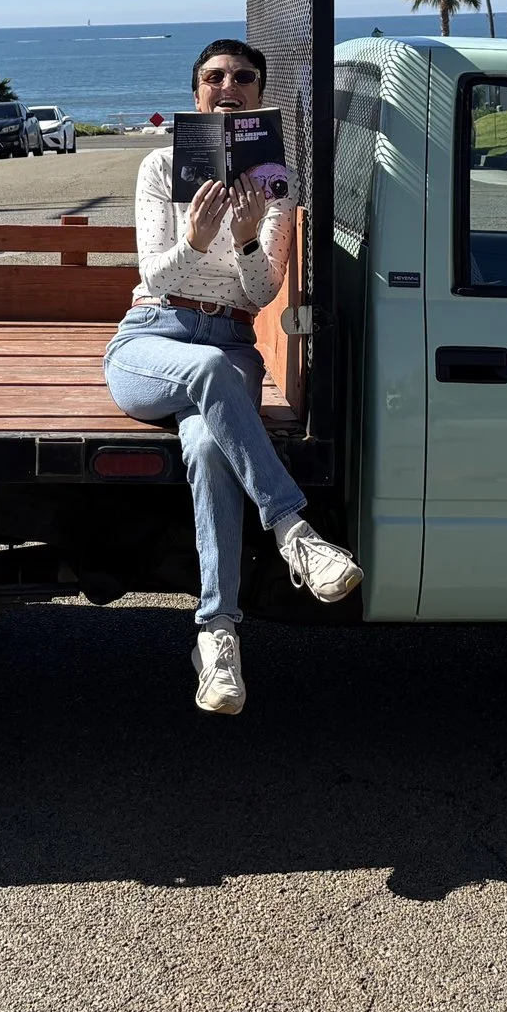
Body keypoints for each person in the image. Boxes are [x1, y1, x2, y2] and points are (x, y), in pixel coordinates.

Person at [103, 37, 362, 713]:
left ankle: (217, 635)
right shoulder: (161, 168)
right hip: (151, 342)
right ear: (197, 95)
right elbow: (153, 276)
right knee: (210, 370)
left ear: (258, 97)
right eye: (214, 76)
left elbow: (261, 290)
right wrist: (196, 236)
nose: (229, 84)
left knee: (208, 446)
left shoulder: (274, 184)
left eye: (243, 77)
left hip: (228, 347)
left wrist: (246, 233)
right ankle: (295, 534)